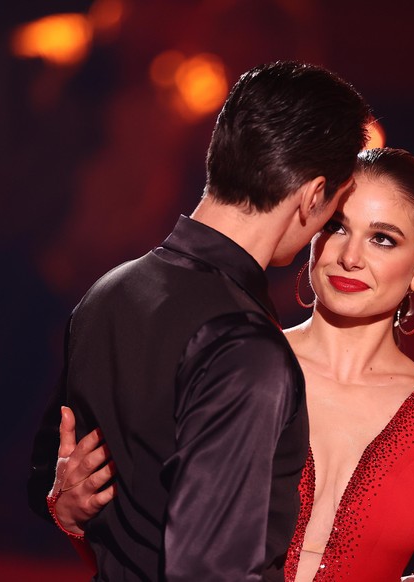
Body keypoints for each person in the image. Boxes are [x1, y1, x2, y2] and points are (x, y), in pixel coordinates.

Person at [53, 148, 414, 581]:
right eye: (338, 227)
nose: (351, 257)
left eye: (383, 238)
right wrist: (75, 520)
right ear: (313, 230)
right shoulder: (231, 367)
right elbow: (141, 550)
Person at [26, 60, 371, 581]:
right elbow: (209, 570)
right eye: (336, 212)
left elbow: (49, 482)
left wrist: (68, 516)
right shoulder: (244, 349)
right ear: (313, 195)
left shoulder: (108, 292)